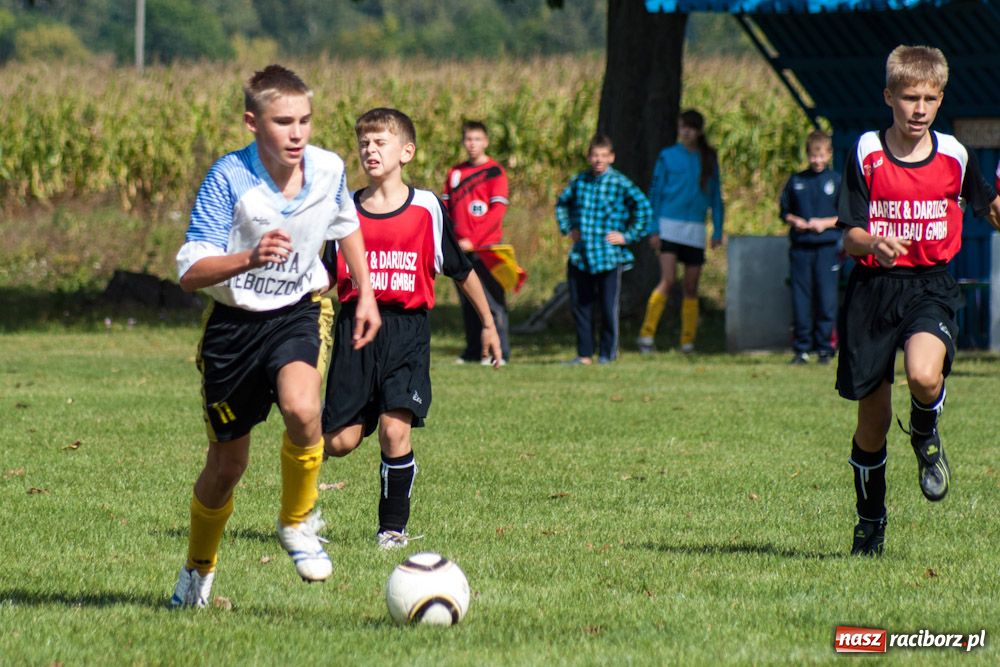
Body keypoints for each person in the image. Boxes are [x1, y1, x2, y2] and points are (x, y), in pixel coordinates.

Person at [169, 65, 380, 607]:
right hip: (234, 328)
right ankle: (197, 572)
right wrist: (249, 257)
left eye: (305, 120)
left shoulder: (329, 169)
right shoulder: (228, 179)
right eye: (283, 121)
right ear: (252, 122)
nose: (297, 133)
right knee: (226, 468)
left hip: (299, 312)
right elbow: (189, 271)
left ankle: (297, 522)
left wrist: (367, 294)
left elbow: (346, 224)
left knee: (303, 408)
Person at [837, 45, 1000, 556]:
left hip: (930, 285)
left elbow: (988, 206)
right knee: (873, 424)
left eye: (929, 98)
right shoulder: (866, 151)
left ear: (941, 99)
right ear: (889, 96)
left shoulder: (955, 154)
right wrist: (874, 242)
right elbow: (849, 235)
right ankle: (870, 521)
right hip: (872, 290)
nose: (919, 109)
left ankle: (926, 432)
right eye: (910, 97)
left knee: (925, 376)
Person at [322, 108, 502, 549]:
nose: (370, 150)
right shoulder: (344, 210)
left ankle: (392, 529)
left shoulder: (427, 208)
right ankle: (300, 501)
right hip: (355, 331)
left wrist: (488, 323)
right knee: (339, 442)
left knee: (394, 429)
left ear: (406, 152)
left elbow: (461, 270)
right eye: (364, 143)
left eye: (380, 142)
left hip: (407, 332)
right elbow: (324, 274)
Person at [555, 134, 652, 365]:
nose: (599, 160)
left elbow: (644, 209)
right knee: (581, 306)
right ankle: (584, 354)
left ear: (611, 157)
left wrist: (628, 236)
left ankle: (608, 353)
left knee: (608, 307)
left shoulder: (620, 183)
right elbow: (562, 204)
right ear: (589, 157)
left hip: (608, 256)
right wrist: (568, 228)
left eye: (603, 155)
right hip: (581, 255)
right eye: (595, 155)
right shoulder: (580, 181)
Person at [637, 109, 724, 354]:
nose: (687, 132)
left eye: (691, 128)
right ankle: (646, 336)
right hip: (669, 225)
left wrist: (717, 229)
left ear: (699, 131)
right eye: (683, 127)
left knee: (691, 286)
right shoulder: (667, 156)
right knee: (668, 279)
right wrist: (653, 228)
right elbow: (655, 193)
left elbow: (716, 196)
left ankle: (687, 341)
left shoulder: (708, 158)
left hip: (695, 228)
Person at [443, 120, 511, 365]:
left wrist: (473, 240)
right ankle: (473, 351)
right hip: (461, 248)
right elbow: (446, 208)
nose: (472, 144)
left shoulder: (495, 172)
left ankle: (500, 352)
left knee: (492, 302)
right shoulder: (455, 172)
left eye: (477, 139)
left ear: (486, 142)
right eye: (468, 139)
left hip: (487, 248)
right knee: (468, 301)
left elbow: (496, 213)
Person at [780, 129, 842, 365]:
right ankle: (802, 349)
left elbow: (846, 216)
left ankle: (825, 348)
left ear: (829, 154)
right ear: (807, 155)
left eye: (822, 156)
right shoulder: (797, 181)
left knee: (826, 299)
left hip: (827, 249)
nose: (817, 160)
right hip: (801, 249)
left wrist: (823, 224)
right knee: (801, 299)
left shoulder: (836, 181)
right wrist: (797, 222)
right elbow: (784, 212)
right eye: (813, 156)